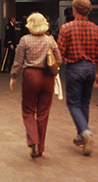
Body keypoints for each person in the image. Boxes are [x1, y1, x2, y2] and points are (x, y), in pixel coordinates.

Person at [57, 0, 98, 156]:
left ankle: (85, 132)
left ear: (74, 9)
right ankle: (80, 136)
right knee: (85, 103)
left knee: (73, 104)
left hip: (74, 68)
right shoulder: (97, 29)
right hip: (91, 68)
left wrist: (54, 71)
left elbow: (60, 53)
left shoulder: (66, 28)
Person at [10, 13, 62, 158]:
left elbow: (18, 61)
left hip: (31, 76)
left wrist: (13, 76)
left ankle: (33, 139)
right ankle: (40, 148)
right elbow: (59, 59)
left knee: (28, 110)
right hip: (47, 78)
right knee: (43, 113)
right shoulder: (50, 39)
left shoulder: (24, 40)